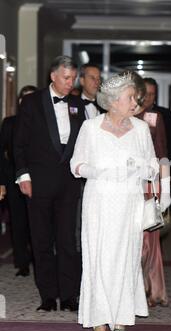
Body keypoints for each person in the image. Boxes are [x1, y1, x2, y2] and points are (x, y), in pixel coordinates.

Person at [70, 71, 159, 331]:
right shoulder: (91, 127)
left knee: (126, 258)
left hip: (129, 203)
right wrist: (97, 171)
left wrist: (140, 167)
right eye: (131, 97)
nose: (136, 103)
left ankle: (121, 314)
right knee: (98, 258)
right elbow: (76, 165)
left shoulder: (141, 128)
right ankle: (98, 319)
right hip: (99, 202)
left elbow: (154, 167)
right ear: (113, 100)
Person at [14, 56, 85, 312]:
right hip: (39, 182)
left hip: (68, 183)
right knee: (42, 241)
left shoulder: (77, 104)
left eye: (73, 78)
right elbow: (19, 143)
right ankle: (47, 296)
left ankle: (68, 295)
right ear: (53, 76)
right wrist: (23, 176)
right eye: (66, 78)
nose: (71, 83)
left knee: (67, 241)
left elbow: (84, 143)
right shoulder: (32, 103)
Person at [134, 76, 171, 307]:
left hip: (149, 184)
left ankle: (152, 290)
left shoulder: (156, 117)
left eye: (153, 95)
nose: (149, 98)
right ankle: (132, 290)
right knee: (132, 242)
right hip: (126, 184)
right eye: (145, 94)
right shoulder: (123, 114)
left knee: (150, 242)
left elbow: (163, 153)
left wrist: (164, 189)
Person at [0, 85, 37, 277]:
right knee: (18, 221)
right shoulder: (9, 123)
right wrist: (2, 183)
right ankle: (21, 261)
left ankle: (38, 260)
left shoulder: (41, 124)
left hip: (38, 181)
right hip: (14, 179)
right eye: (24, 98)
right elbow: (2, 153)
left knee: (37, 223)